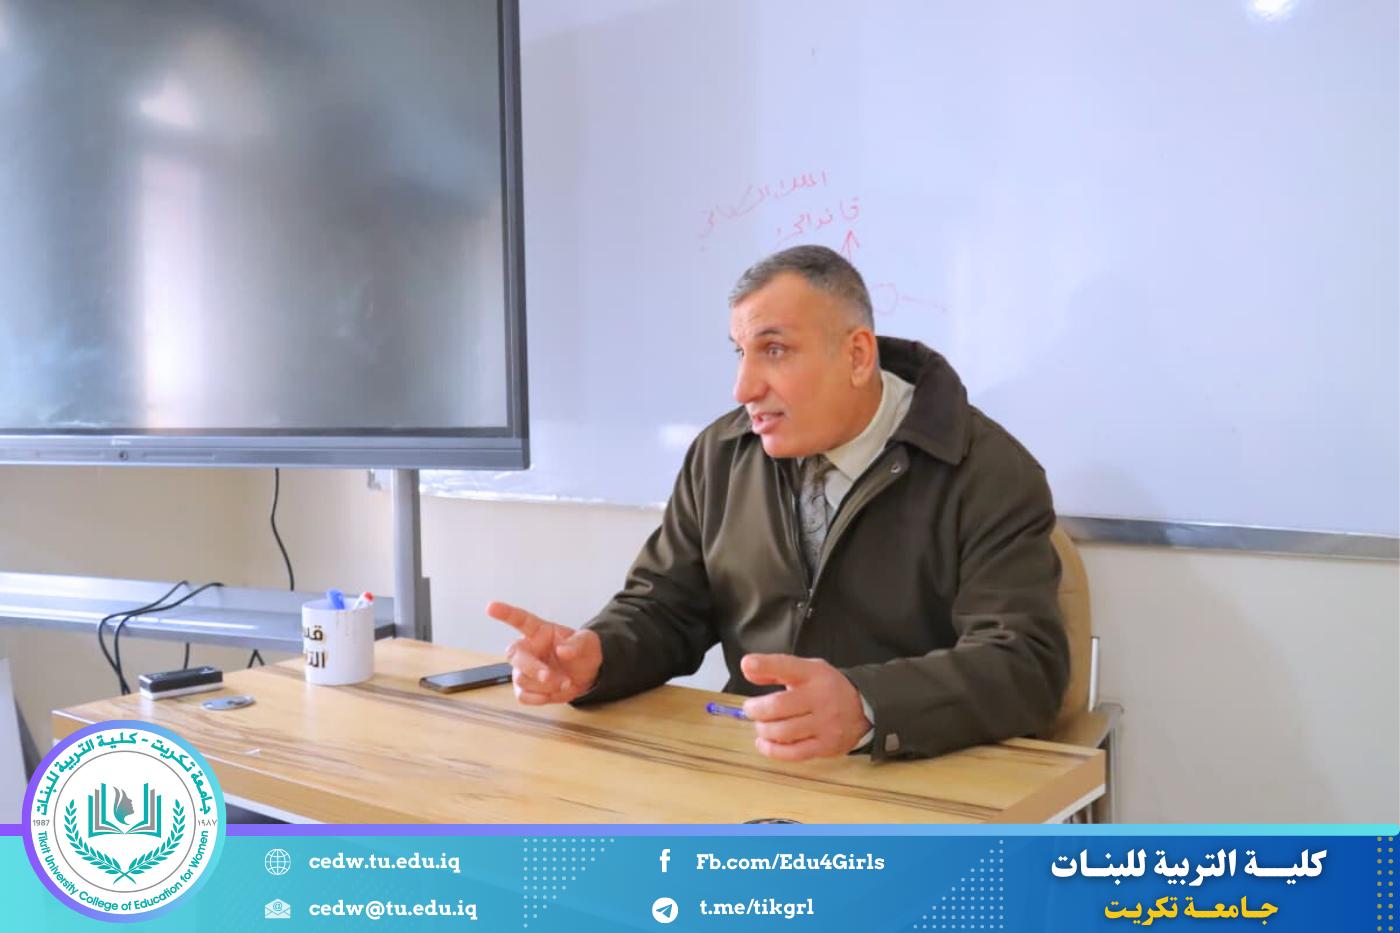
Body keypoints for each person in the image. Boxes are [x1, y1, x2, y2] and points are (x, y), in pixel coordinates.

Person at [489, 245, 1068, 762]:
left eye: (774, 350)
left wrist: (868, 705)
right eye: (740, 352)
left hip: (917, 774)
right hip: (754, 766)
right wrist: (598, 654)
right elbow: (666, 607)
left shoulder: (988, 471)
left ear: (857, 356)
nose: (744, 388)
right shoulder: (721, 453)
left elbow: (1023, 663)